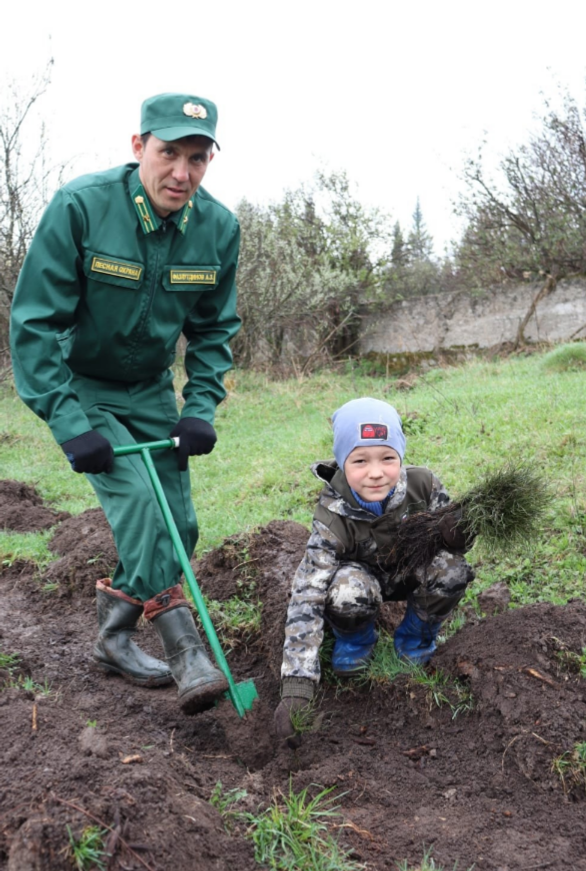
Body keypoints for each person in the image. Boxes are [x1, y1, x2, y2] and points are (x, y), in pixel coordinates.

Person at [10, 93, 241, 715]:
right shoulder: (82, 207)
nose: (182, 173)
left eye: (197, 158)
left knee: (179, 525)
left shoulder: (218, 229)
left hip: (151, 392)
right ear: (139, 147)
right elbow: (33, 325)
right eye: (169, 153)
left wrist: (199, 408)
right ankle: (186, 651)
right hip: (83, 386)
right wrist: (69, 423)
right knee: (140, 506)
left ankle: (113, 638)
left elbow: (214, 331)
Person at [274, 397, 475, 740]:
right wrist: (297, 684)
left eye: (387, 458)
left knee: (452, 570)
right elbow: (308, 592)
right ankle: (355, 642)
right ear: (342, 462)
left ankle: (415, 642)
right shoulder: (331, 516)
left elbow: (455, 542)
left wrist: (457, 536)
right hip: (361, 583)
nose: (376, 472)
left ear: (401, 457)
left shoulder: (423, 486)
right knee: (346, 590)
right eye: (360, 460)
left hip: (410, 573)